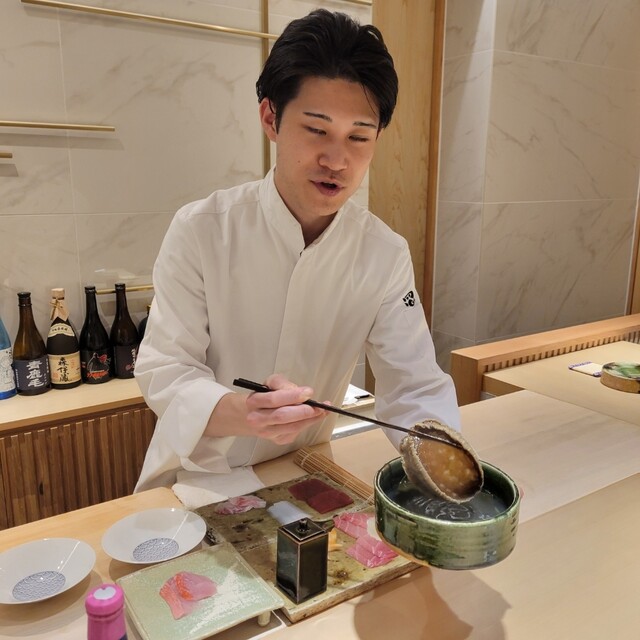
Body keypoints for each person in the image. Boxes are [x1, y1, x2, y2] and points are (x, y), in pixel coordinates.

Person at [134, 8, 460, 492]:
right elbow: (166, 369)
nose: (337, 160)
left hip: (302, 472)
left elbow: (413, 384)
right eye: (316, 129)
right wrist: (247, 413)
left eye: (358, 137)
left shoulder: (384, 253)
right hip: (197, 477)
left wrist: (448, 463)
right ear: (271, 118)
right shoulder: (202, 229)